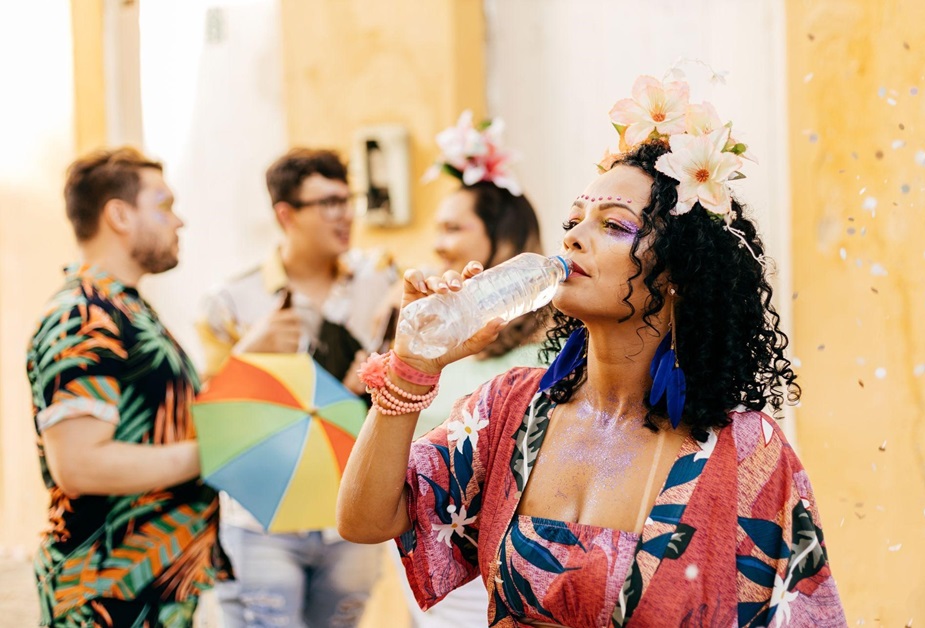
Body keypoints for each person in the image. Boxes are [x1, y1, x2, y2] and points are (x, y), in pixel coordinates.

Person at [337, 74, 847, 627]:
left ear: (678, 271)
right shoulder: (510, 410)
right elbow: (365, 520)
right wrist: (412, 368)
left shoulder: (745, 452)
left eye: (614, 225)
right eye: (574, 220)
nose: (575, 237)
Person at [26, 147, 228, 626]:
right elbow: (80, 464)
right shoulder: (84, 315)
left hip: (150, 588)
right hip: (104, 595)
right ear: (118, 214)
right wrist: (218, 451)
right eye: (163, 204)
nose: (178, 221)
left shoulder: (127, 310)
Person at [197, 147, 396, 627]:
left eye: (348, 199)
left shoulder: (380, 284)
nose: (344, 213)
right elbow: (210, 415)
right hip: (263, 517)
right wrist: (251, 349)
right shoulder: (232, 299)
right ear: (286, 214)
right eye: (328, 202)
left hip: (351, 511)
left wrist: (369, 379)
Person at [388, 112, 550, 627]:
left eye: (454, 228)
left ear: (502, 240)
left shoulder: (552, 345)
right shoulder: (437, 335)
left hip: (506, 562)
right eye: (438, 227)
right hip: (426, 553)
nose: (438, 244)